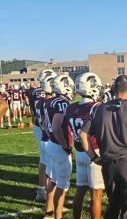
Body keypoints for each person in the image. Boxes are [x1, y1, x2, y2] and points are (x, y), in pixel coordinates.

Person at [80, 75, 127, 219]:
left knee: (113, 207)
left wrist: (94, 157)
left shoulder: (98, 109)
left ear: (113, 89)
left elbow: (83, 135)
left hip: (108, 165)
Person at [63, 72, 105, 219]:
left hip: (80, 152)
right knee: (96, 195)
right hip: (94, 152)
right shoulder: (97, 107)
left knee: (80, 190)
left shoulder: (70, 108)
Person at [43, 75, 74, 219]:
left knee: (54, 180)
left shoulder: (48, 102)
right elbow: (56, 126)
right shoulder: (62, 102)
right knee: (62, 185)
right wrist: (65, 144)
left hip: (51, 144)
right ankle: (58, 216)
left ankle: (48, 211)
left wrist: (52, 139)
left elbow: (44, 124)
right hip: (58, 146)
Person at [31, 70, 57, 202]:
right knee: (50, 163)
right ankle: (49, 196)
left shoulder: (35, 93)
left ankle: (41, 189)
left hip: (38, 125)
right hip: (45, 129)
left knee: (44, 160)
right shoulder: (47, 98)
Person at [36, 75, 56, 217]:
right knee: (52, 173)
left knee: (43, 164)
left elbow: (41, 122)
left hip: (43, 137)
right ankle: (50, 205)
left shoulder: (39, 101)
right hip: (49, 139)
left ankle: (41, 191)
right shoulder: (51, 103)